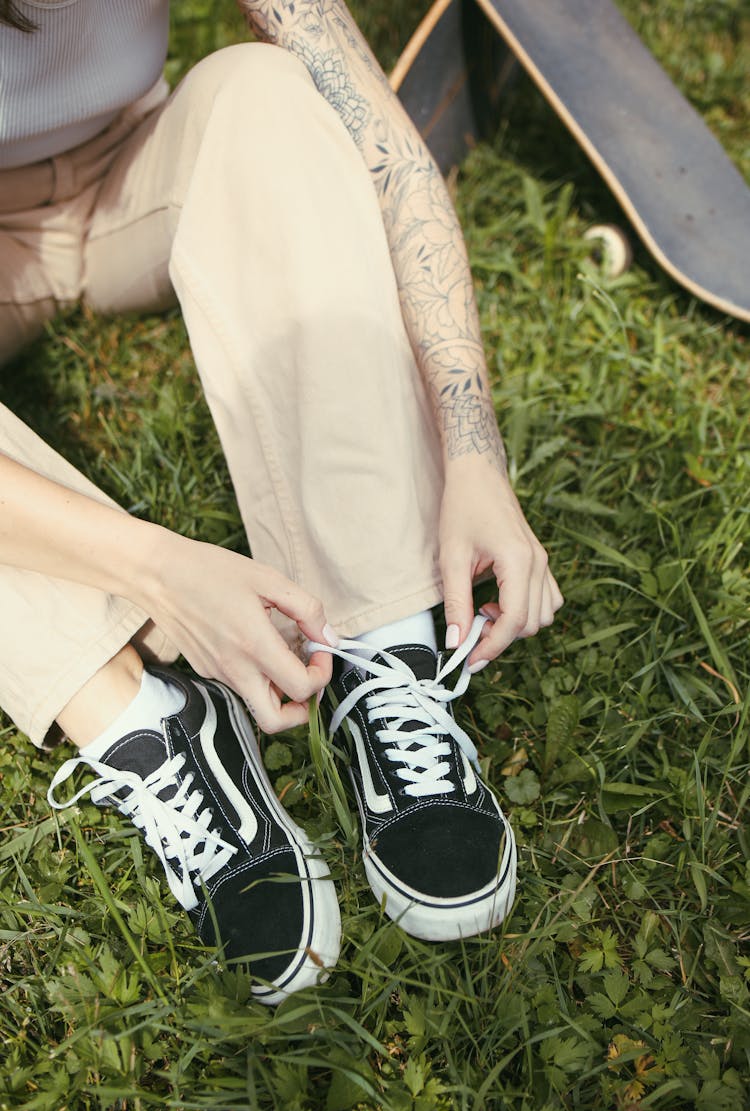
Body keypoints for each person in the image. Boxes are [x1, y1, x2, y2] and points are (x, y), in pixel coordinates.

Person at [0, 0, 563, 1004]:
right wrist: (155, 568)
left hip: (136, 167)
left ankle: (378, 636)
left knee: (268, 91)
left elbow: (383, 143)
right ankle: (148, 718)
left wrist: (473, 452)